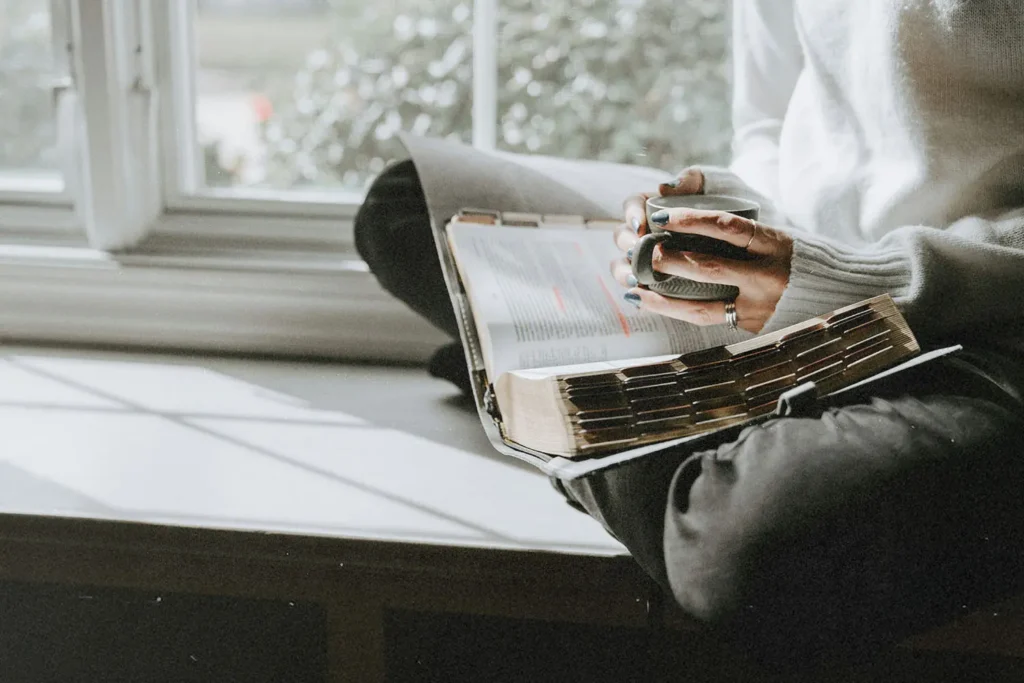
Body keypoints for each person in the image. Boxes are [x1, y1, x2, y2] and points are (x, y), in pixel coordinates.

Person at [356, 0, 1024, 669]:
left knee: (747, 548)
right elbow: (766, 122)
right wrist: (735, 222)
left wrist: (848, 279)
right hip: (815, 262)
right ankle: (671, 409)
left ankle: (544, 399)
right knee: (409, 205)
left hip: (991, 325)